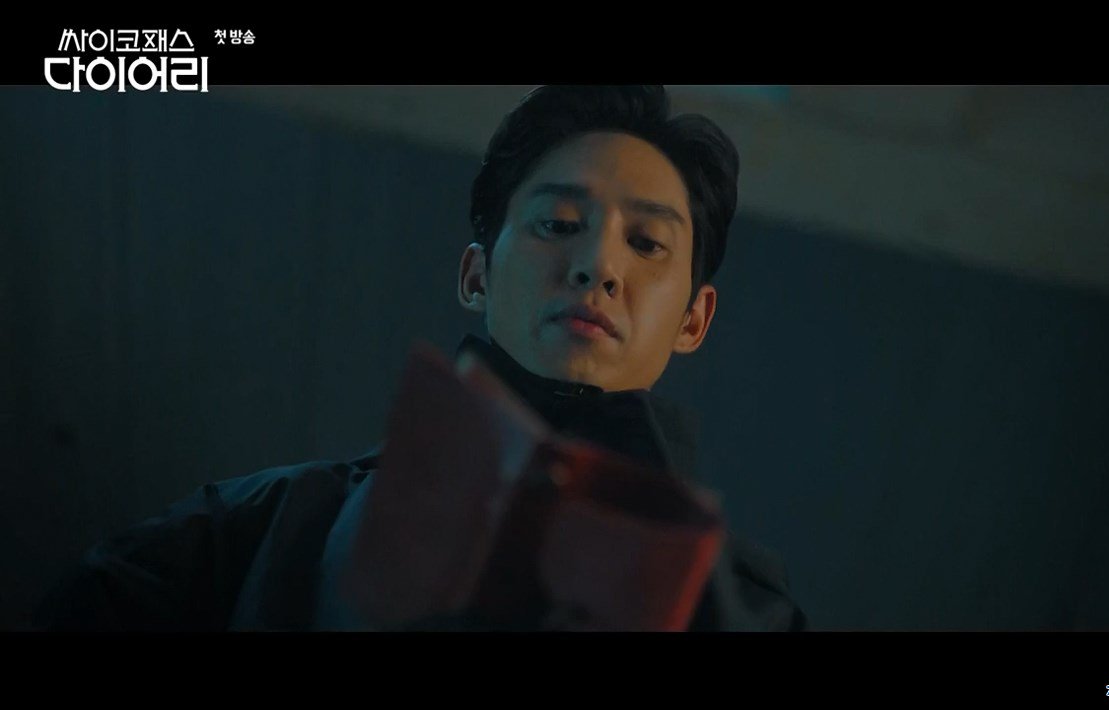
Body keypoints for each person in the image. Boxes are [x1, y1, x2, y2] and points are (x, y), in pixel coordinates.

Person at [34, 85, 809, 631]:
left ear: (694, 319)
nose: (597, 266)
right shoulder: (263, 526)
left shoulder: (749, 611)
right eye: (558, 224)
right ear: (476, 274)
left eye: (646, 243)